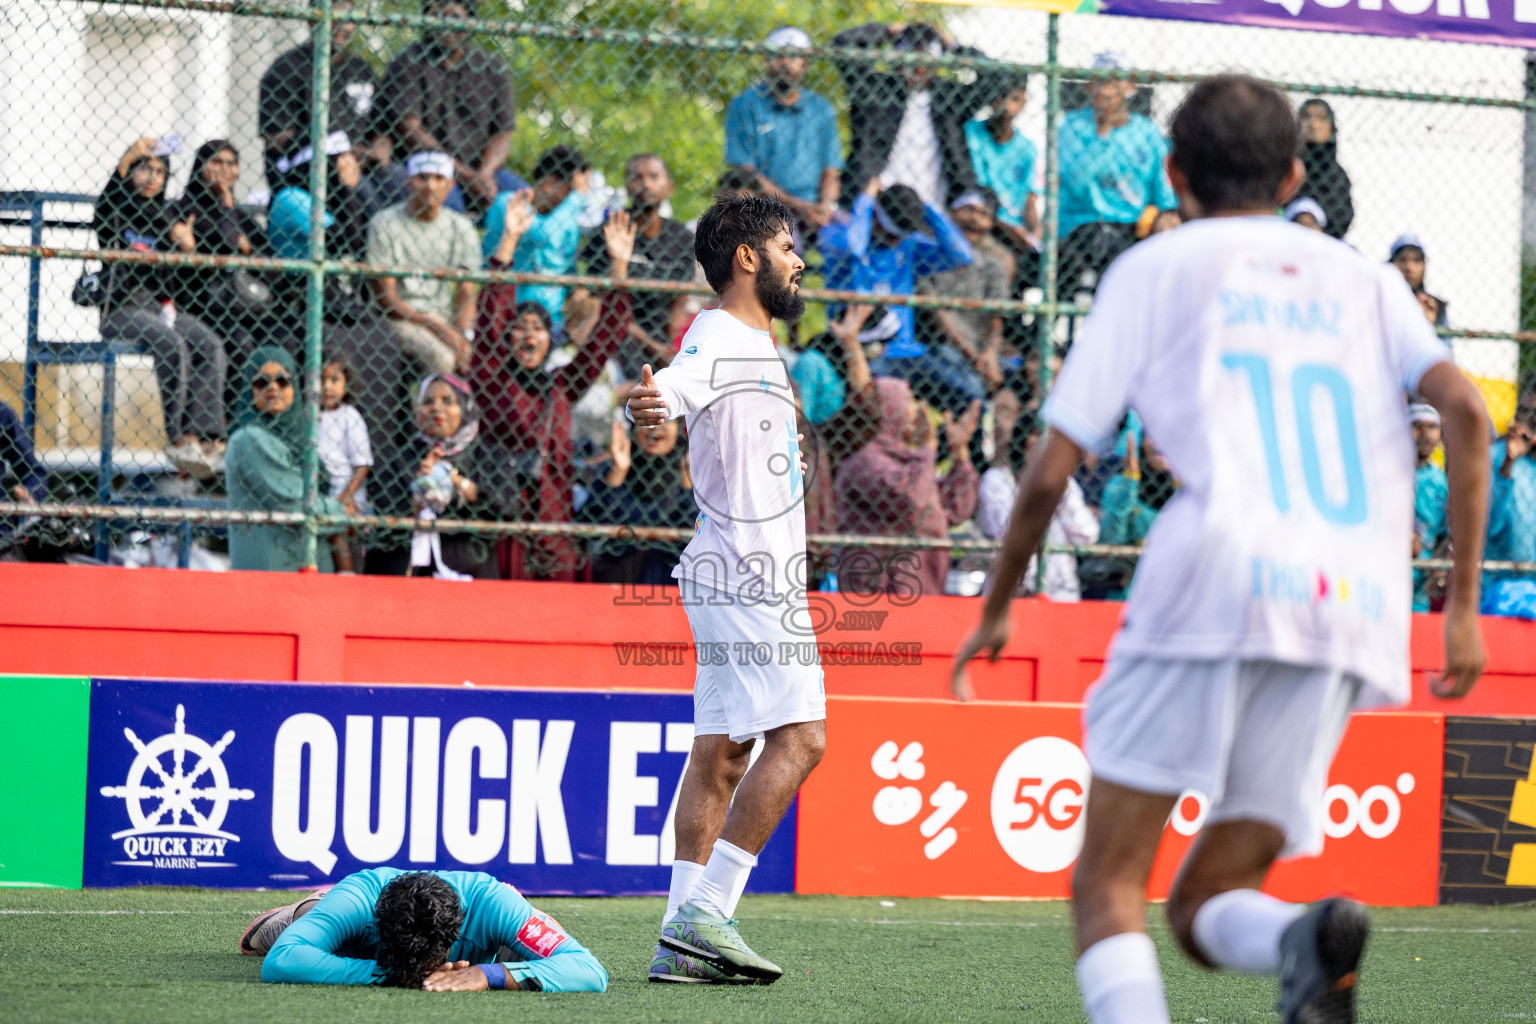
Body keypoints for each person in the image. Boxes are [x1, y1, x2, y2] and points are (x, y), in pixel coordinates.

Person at [950, 75, 1490, 1024]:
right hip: (1352, 599)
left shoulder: (1156, 268)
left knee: (1108, 883)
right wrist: (1458, 609)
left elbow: (1045, 474)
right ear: (1291, 172)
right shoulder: (1364, 277)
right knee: (1201, 908)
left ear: (1173, 172)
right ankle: (1300, 936)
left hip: (1216, 575)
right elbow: (1469, 410)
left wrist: (996, 604)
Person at [624, 192, 820, 985]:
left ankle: (679, 933)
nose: (799, 259)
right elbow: (675, 383)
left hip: (727, 566)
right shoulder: (719, 336)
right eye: (786, 246)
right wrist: (652, 402)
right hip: (747, 572)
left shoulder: (755, 343)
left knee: (724, 752)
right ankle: (711, 911)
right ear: (748, 258)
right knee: (803, 739)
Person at [473, 209, 636, 581]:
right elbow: (488, 323)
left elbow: (604, 339)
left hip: (556, 525)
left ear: (550, 340)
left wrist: (619, 267)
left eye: (538, 328)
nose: (529, 335)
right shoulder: (492, 381)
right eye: (519, 328)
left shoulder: (561, 386)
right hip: (504, 522)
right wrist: (508, 243)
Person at [93, 135, 228, 480]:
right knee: (171, 344)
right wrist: (129, 155)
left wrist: (185, 247)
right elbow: (110, 197)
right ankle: (179, 436)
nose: (152, 177)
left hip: (159, 309)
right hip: (121, 310)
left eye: (159, 171)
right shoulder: (116, 212)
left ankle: (206, 436)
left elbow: (184, 267)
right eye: (145, 169)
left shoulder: (168, 216)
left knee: (209, 344)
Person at [242, 867, 606, 992]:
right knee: (301, 923)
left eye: (428, 959)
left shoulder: (495, 904)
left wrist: (488, 974)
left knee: (537, 931)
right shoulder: (360, 898)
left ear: (456, 936)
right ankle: (296, 911)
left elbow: (588, 970)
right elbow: (283, 961)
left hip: (495, 926)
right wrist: (386, 973)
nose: (421, 971)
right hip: (333, 906)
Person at [818, 181, 979, 413]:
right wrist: (867, 198)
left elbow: (962, 255)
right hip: (864, 354)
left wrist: (924, 206)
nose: (895, 240)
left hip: (907, 353)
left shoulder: (908, 246)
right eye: (890, 232)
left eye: (901, 234)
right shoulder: (837, 237)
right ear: (874, 217)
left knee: (971, 397)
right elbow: (853, 246)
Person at [835, 379, 980, 598]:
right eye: (908, 402)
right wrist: (927, 448)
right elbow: (913, 500)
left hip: (923, 593)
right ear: (890, 410)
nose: (915, 411)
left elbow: (957, 510)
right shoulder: (865, 462)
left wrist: (959, 452)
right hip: (879, 596)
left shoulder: (911, 463)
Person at [374, 0, 520, 217]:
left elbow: (503, 133)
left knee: (522, 199)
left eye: (454, 18)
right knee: (449, 205)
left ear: (470, 22)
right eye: (438, 17)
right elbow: (410, 129)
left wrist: (485, 174)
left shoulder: (492, 67)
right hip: (426, 166)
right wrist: (466, 176)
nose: (446, 27)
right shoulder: (409, 61)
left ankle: (496, 252)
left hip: (480, 170)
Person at [832, 21, 991, 208]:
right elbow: (843, 44)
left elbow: (994, 79)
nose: (918, 66)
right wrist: (887, 31)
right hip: (878, 203)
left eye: (926, 57)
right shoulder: (877, 89)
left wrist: (954, 46)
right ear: (899, 57)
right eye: (912, 56)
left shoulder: (948, 97)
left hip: (934, 204)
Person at [1057, 53, 1178, 296]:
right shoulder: (1072, 125)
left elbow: (1163, 193)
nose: (1107, 88)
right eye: (1101, 80)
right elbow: (1075, 184)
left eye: (1115, 81)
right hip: (1080, 225)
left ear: (1130, 87)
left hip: (1130, 226)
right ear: (1090, 86)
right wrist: (1103, 133)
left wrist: (1167, 214)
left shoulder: (1147, 132)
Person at [225, 347, 347, 572]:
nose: (273, 387)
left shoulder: (301, 438)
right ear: (248, 391)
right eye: (262, 381)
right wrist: (343, 512)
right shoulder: (248, 439)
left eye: (282, 380)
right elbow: (294, 504)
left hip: (305, 577)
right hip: (272, 581)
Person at [367, 150, 483, 376]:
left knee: (478, 356)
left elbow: (466, 292)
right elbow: (386, 299)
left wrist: (463, 335)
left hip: (444, 318)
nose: (430, 185)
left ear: (450, 186)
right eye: (423, 177)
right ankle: (431, 408)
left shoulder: (461, 227)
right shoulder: (384, 223)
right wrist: (436, 327)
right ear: (409, 182)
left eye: (438, 178)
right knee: (442, 359)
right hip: (400, 318)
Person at [579, 154, 696, 376]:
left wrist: (671, 348)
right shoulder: (610, 229)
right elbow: (597, 298)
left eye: (654, 176)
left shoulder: (681, 238)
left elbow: (680, 302)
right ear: (627, 186)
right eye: (637, 177)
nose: (646, 184)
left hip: (660, 333)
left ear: (669, 186)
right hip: (614, 329)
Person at [257, 0, 386, 198]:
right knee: (362, 193)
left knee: (398, 183)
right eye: (336, 18)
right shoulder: (286, 69)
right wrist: (339, 154)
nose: (343, 26)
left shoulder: (361, 69)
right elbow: (277, 138)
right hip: (310, 170)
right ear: (312, 21)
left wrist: (378, 153)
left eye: (349, 19)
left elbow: (382, 130)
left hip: (364, 165)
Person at [724, 26, 842, 236]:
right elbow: (745, 172)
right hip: (766, 203)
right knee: (783, 245)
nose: (786, 63)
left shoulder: (821, 109)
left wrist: (825, 207)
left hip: (814, 206)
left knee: (849, 241)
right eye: (778, 56)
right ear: (766, 60)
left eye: (794, 57)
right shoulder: (745, 105)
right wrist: (798, 206)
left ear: (805, 63)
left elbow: (831, 172)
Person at [171, 140, 275, 370]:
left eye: (231, 163)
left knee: (283, 338)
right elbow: (228, 245)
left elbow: (267, 259)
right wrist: (227, 205)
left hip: (247, 305)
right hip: (204, 305)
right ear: (201, 166)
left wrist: (247, 249)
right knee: (240, 344)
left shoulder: (244, 219)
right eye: (217, 162)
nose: (225, 169)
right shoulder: (184, 212)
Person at [978, 411, 1098, 602]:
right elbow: (1006, 530)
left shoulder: (1068, 486)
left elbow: (1087, 536)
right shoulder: (997, 480)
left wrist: (1060, 491)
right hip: (1012, 595)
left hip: (1060, 594)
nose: (1045, 444)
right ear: (1023, 439)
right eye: (1037, 434)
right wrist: (1038, 487)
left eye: (1052, 437)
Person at [917, 189, 1014, 396]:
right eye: (969, 210)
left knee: (1018, 376)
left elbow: (997, 317)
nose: (976, 219)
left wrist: (990, 354)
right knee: (973, 389)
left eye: (984, 215)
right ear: (951, 213)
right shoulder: (927, 257)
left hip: (982, 350)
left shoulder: (992, 264)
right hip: (942, 346)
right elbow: (940, 316)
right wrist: (975, 358)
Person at [577, 419, 697, 585]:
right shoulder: (615, 467)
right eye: (647, 420)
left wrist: (687, 485)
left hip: (671, 582)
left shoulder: (691, 471)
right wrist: (618, 472)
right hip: (618, 578)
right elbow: (591, 524)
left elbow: (692, 536)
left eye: (666, 420)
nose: (655, 427)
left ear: (678, 429)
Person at [481, 145, 587, 329]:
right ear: (549, 183)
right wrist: (577, 198)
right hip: (505, 314)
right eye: (570, 190)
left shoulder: (566, 220)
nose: (571, 198)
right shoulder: (509, 203)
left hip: (550, 322)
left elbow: (568, 267)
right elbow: (542, 235)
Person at [964, 76, 1041, 256]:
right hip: (983, 222)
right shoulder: (972, 134)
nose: (1006, 106)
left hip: (1016, 231)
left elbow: (1029, 201)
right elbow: (977, 190)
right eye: (1001, 97)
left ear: (1023, 102)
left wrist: (1036, 232)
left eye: (1014, 99)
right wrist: (1010, 230)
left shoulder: (1027, 148)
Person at [1483, 393, 1536, 613]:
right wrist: (1508, 464)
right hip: (1500, 586)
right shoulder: (1495, 456)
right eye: (1528, 414)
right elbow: (1491, 525)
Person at [1295, 98, 1353, 241]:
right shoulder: (1285, 168)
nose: (1313, 124)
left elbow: (1343, 217)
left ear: (1331, 126)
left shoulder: (1337, 176)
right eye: (1307, 117)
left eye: (1321, 118)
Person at [1409, 403, 1447, 612]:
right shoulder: (1388, 475)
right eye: (1418, 426)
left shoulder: (1440, 482)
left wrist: (1437, 567)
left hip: (1421, 583)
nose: (1425, 434)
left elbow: (1444, 533)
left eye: (1432, 427)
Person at [1389, 234, 1448, 328]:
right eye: (1403, 260)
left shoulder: (1434, 307)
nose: (1410, 268)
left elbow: (1445, 342)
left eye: (1416, 260)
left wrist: (1428, 325)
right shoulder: (1380, 302)